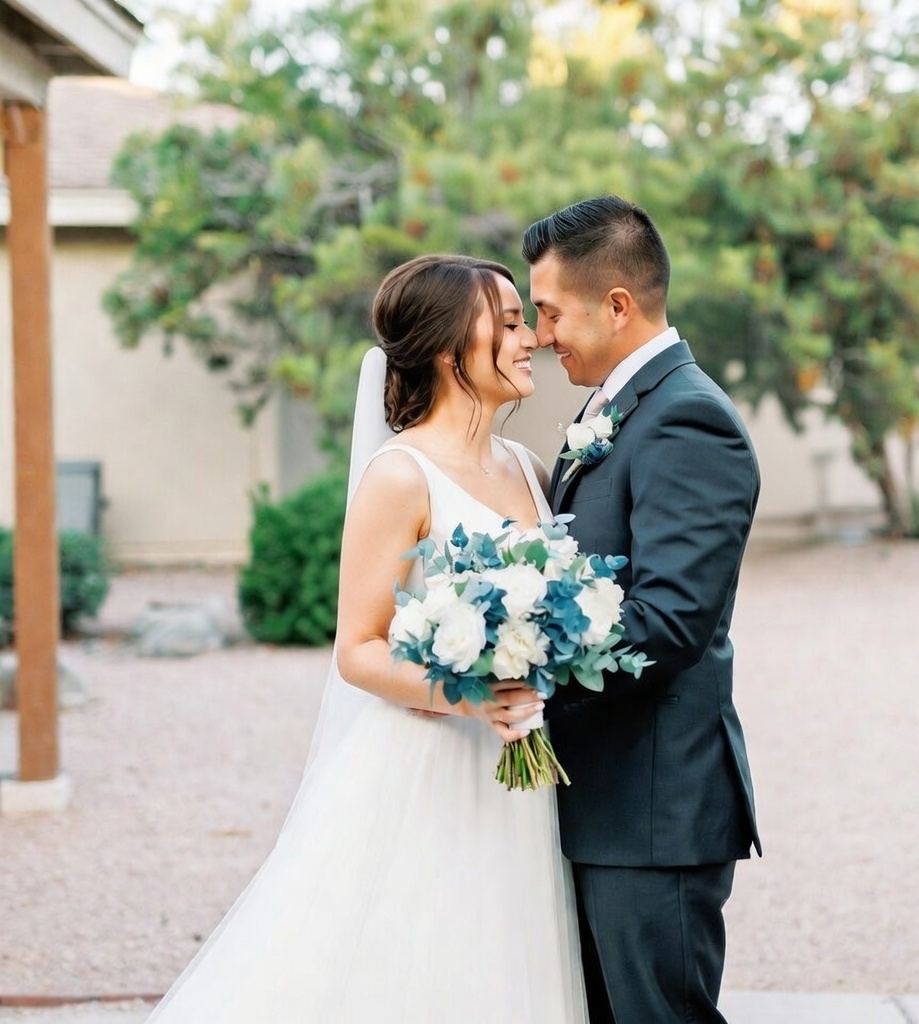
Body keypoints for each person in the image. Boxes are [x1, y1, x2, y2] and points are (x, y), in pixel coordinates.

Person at [142, 254, 588, 1022]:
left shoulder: (529, 467)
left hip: (517, 776)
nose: (531, 341)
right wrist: (474, 695)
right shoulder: (400, 475)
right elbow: (359, 648)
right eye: (511, 324)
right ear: (449, 349)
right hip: (431, 767)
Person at [522, 195, 761, 1024]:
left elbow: (669, 622)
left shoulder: (687, 418)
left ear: (617, 305)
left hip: (652, 812)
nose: (542, 334)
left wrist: (520, 665)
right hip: (606, 803)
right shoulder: (618, 409)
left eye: (551, 312)